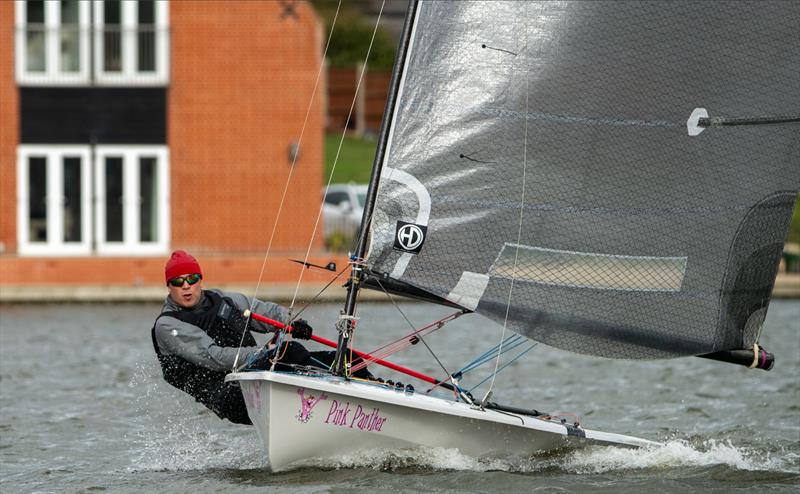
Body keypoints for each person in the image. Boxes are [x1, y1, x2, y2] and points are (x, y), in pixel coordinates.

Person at [151, 250, 336, 425]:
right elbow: (214, 356)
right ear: (169, 286)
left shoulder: (224, 299)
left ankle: (339, 392)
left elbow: (265, 311)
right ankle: (326, 400)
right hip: (226, 395)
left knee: (336, 357)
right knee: (290, 351)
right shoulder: (167, 325)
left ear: (200, 280)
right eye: (178, 281)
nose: (186, 286)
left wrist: (293, 322)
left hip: (257, 375)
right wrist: (264, 352)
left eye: (192, 279)